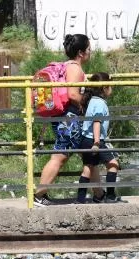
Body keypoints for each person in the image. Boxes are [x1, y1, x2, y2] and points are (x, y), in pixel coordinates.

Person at [34, 33, 91, 206]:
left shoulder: (67, 66)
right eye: (89, 49)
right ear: (81, 53)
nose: (90, 52)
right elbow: (72, 94)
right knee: (60, 156)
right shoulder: (75, 68)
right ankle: (39, 194)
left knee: (87, 153)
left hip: (64, 116)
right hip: (68, 117)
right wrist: (88, 100)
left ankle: (100, 192)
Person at [76, 73, 124, 204]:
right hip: (94, 140)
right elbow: (96, 122)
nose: (112, 89)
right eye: (111, 86)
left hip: (85, 140)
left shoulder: (92, 101)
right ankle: (110, 196)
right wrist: (97, 142)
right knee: (113, 165)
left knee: (88, 169)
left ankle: (81, 200)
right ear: (104, 87)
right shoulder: (100, 103)